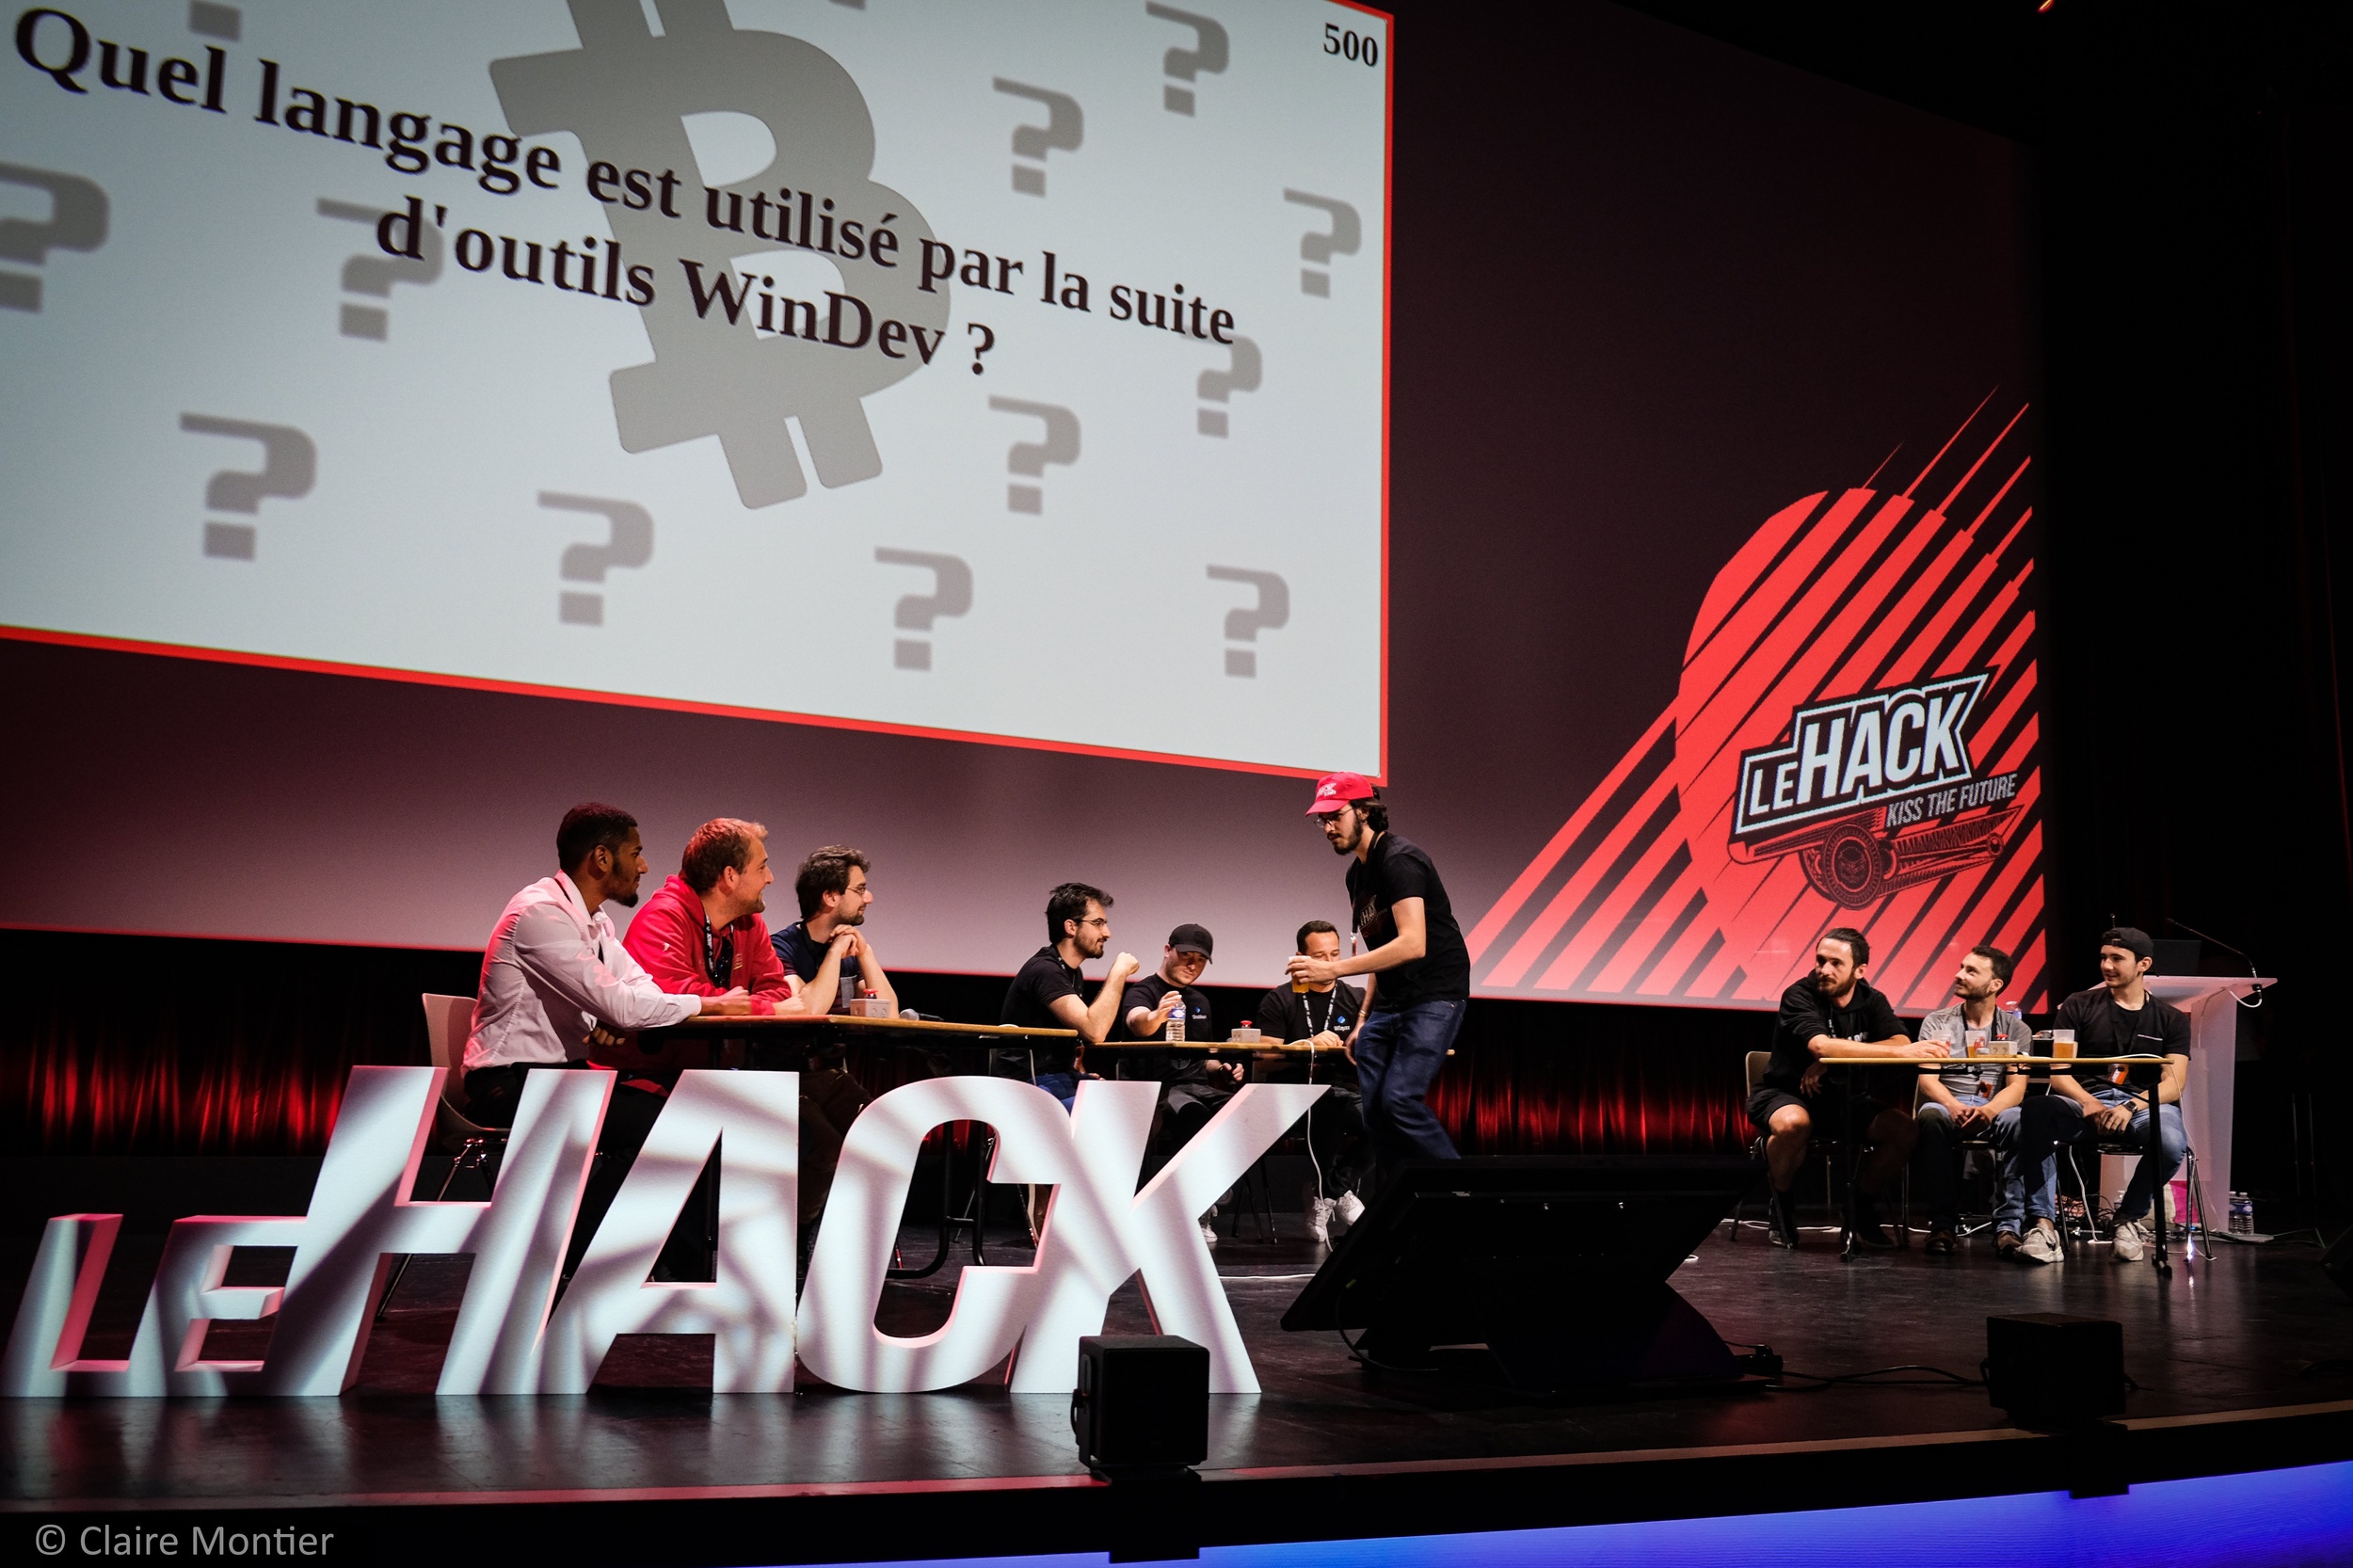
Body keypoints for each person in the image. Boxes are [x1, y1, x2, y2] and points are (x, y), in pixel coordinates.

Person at [462, 803, 748, 1272]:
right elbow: (624, 1003)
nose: (644, 866)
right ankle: (569, 1260)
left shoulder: (595, 923)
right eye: (635, 853)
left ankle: (646, 1265)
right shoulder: (540, 914)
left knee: (683, 1115)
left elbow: (639, 991)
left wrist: (619, 1011)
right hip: (508, 1083)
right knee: (665, 1127)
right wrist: (705, 1004)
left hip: (561, 1079)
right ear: (601, 858)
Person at [620, 818, 870, 1232]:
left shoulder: (748, 924)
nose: (771, 878)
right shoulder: (662, 917)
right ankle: (746, 1243)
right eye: (762, 867)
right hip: (655, 1079)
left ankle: (788, 1244)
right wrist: (754, 1008)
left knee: (846, 1119)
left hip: (723, 1077)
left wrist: (740, 1005)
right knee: (807, 1137)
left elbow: (777, 990)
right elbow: (673, 997)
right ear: (730, 876)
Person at [1287, 772, 1471, 1189]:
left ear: (1365, 812)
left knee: (1399, 1101)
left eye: (1335, 816)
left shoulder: (1399, 860)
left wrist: (1331, 969)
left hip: (1433, 994)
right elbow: (1381, 950)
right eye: (1322, 820)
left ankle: (1461, 1193)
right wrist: (1364, 1018)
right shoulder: (1357, 875)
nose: (1328, 827)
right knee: (1374, 1115)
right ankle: (1402, 1200)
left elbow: (1412, 944)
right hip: (1390, 1002)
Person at [1752, 927, 1945, 1249]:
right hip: (1787, 1095)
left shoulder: (1871, 999)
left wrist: (1831, 1062)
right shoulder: (1799, 995)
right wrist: (1837, 1055)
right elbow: (1821, 1046)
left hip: (1846, 1100)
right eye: (1820, 960)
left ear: (1859, 970)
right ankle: (1781, 1201)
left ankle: (1859, 1205)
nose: (1824, 969)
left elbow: (1899, 1039)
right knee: (1794, 1123)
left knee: (1905, 1130)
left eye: (1835, 963)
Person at [2009, 927, 2193, 1263]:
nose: (2107, 965)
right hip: (2083, 1103)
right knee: (2036, 1110)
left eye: (2117, 958)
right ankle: (2042, 1226)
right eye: (2103, 957)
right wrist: (2089, 1102)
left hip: (2139, 1107)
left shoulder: (2171, 1019)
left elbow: (2174, 1082)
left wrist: (2130, 1105)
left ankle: (2127, 1219)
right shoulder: (2078, 1005)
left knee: (2170, 1141)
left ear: (2143, 964)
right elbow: (2059, 1073)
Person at [1114, 924, 1244, 1246]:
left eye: (1200, 960)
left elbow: (1203, 1060)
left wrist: (1224, 1069)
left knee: (1246, 1108)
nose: (1192, 965)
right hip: (1154, 1088)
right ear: (1167, 950)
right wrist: (1157, 1016)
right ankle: (1190, 1205)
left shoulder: (1201, 1001)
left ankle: (1211, 1187)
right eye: (1186, 955)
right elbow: (1138, 1023)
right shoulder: (1143, 992)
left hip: (1196, 1085)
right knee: (1192, 1112)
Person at [1910, 943, 2034, 1258]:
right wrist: (1953, 1105)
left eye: (1971, 971)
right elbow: (1928, 1081)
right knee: (1931, 1115)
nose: (1959, 975)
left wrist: (1989, 1110)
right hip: (1948, 1102)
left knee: (2018, 1119)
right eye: (1961, 967)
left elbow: (2016, 1088)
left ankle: (2008, 1226)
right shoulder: (1937, 1022)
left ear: (1995, 985)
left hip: (1994, 1106)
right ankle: (1942, 1224)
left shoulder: (2017, 1029)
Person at [1254, 919, 1369, 1246]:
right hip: (1291, 1096)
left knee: (1387, 1117)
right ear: (1301, 957)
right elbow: (1262, 1061)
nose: (1329, 963)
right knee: (1328, 1105)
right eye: (1320, 956)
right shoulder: (1280, 999)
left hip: (1343, 1091)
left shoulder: (1357, 999)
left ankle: (1328, 1190)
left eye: (1335, 955)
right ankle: (1330, 1191)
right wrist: (1306, 1046)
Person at [1000, 881, 1138, 1109]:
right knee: (1106, 1111)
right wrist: (1118, 972)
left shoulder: (1072, 972)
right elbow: (1095, 1031)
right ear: (1071, 927)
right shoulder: (1046, 970)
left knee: (1130, 1102)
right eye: (1098, 923)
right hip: (1029, 1083)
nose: (1107, 933)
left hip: (1058, 1076)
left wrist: (1079, 1076)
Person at [771, 845, 900, 1017]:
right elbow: (807, 1011)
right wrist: (834, 953)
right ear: (831, 897)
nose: (869, 898)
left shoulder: (852, 948)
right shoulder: (780, 949)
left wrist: (865, 953)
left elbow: (890, 1015)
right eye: (860, 889)